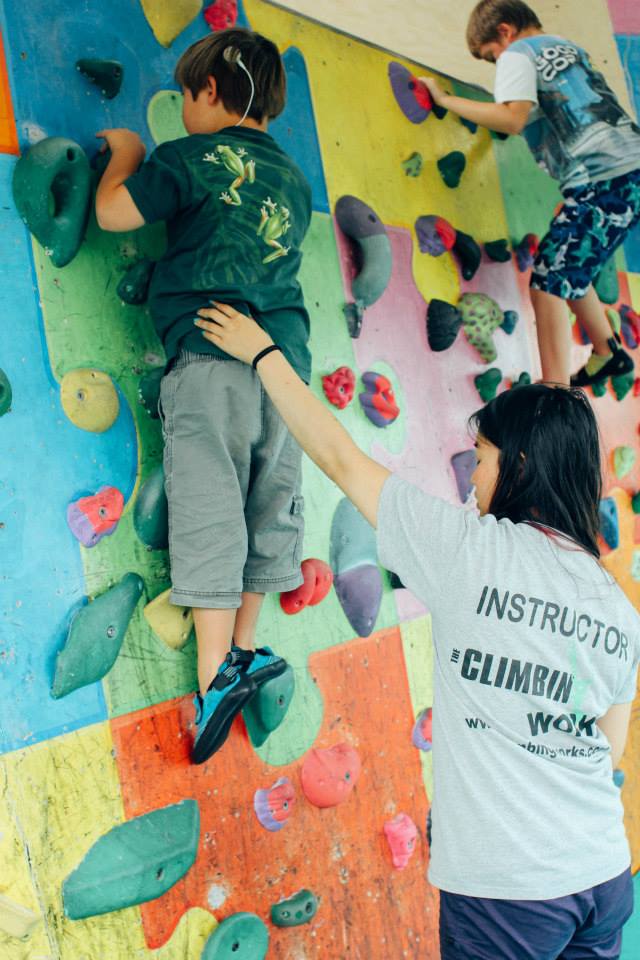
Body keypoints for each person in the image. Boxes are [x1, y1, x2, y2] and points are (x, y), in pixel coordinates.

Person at [194, 300, 639, 959]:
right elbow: (610, 742)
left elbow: (343, 460)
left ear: (518, 468)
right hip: (602, 875)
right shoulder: (616, 605)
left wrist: (264, 354)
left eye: (483, 460)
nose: (475, 479)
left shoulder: (471, 550)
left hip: (511, 889)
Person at [94, 28, 313, 764]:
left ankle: (217, 675)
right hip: (287, 373)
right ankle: (247, 649)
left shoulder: (189, 156)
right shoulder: (293, 180)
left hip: (212, 357)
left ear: (210, 92)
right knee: (267, 505)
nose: (183, 109)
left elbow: (116, 213)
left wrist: (126, 150)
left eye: (186, 96)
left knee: (210, 505)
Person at [420, 0, 640, 388]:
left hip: (601, 179)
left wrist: (446, 100)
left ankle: (552, 392)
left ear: (504, 31)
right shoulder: (570, 48)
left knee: (547, 280)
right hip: (630, 171)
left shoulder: (518, 53)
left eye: (491, 57)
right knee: (570, 262)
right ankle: (608, 351)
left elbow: (513, 116)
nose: (496, 64)